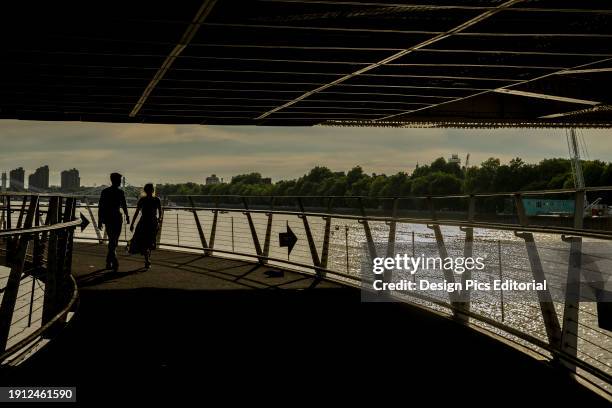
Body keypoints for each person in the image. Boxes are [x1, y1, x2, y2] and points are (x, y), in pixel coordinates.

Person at [98, 173, 130, 272]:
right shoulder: (120, 192)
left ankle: (109, 261)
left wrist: (100, 220)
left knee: (113, 240)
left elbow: (101, 207)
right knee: (114, 240)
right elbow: (124, 205)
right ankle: (114, 261)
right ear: (115, 180)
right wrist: (127, 216)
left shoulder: (105, 192)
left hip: (108, 218)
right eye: (119, 180)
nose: (120, 182)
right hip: (117, 218)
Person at [128, 183, 161, 269]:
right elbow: (160, 213)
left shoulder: (142, 200)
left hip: (143, 222)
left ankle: (147, 258)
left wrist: (132, 224)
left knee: (143, 241)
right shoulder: (157, 200)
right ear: (153, 190)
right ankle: (147, 258)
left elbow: (136, 212)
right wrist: (158, 221)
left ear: (145, 190)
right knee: (150, 241)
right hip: (153, 223)